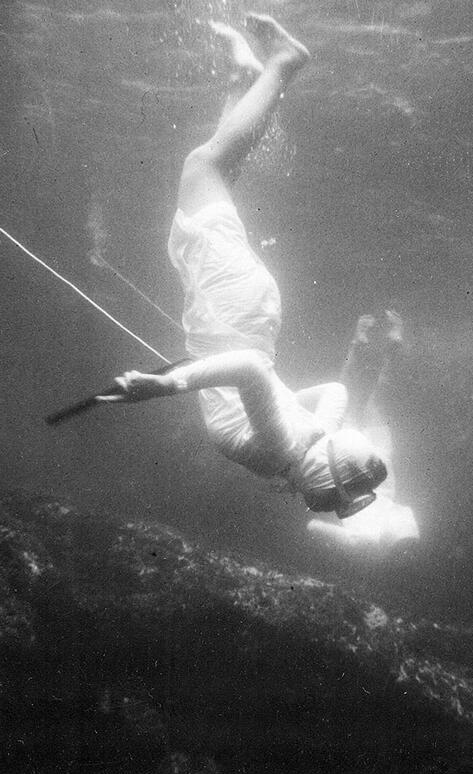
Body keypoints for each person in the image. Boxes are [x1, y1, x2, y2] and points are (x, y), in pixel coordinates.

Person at [99, 14, 388, 518]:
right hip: (230, 309)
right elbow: (251, 370)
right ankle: (283, 65)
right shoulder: (280, 451)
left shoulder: (316, 433)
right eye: (324, 500)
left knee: (217, 175)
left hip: (248, 311)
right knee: (203, 167)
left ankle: (241, 79)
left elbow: (336, 389)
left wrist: (276, 400)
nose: (315, 505)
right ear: (322, 480)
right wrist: (165, 386)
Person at [306, 310, 420, 551]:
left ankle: (379, 344)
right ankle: (362, 344)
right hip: (347, 469)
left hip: (378, 468)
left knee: (371, 400)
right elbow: (313, 527)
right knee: (344, 396)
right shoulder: (366, 544)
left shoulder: (403, 529)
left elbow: (403, 517)